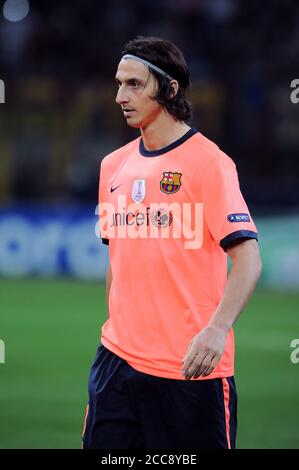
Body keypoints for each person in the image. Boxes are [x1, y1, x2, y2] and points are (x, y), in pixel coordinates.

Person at [82, 36, 262, 449]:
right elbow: (118, 259)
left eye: (133, 84)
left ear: (170, 89)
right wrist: (118, 329)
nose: (119, 96)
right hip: (116, 364)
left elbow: (248, 257)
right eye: (118, 83)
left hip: (189, 370)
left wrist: (217, 330)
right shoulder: (113, 165)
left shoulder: (209, 163)